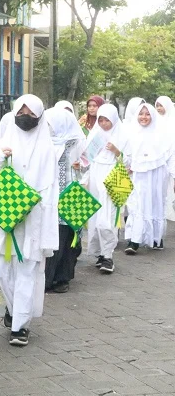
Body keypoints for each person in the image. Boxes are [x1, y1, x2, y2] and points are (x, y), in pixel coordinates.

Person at [0, 95, 58, 348]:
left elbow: (51, 188)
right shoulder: (5, 141)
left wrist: (38, 209)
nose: (25, 115)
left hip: (34, 219)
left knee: (27, 270)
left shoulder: (48, 147)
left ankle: (20, 326)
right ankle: (14, 308)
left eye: (31, 112)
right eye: (21, 110)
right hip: (6, 216)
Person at [77, 104, 128, 273]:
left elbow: (128, 160)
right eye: (101, 120)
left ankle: (108, 256)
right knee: (95, 219)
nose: (104, 123)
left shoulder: (122, 135)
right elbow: (87, 158)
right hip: (95, 179)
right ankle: (99, 253)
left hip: (112, 179)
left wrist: (116, 151)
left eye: (107, 120)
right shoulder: (96, 134)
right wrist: (83, 172)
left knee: (107, 218)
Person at [123, 103, 175, 254]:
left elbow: (170, 155)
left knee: (156, 202)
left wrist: (174, 176)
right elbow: (127, 154)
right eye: (141, 114)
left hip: (158, 175)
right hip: (138, 174)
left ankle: (156, 238)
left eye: (147, 114)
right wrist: (129, 165)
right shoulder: (132, 133)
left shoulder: (162, 134)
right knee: (137, 204)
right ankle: (134, 240)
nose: (143, 117)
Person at [44, 107, 86, 293]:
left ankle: (62, 278)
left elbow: (89, 162)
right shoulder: (44, 141)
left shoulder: (77, 141)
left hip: (71, 195)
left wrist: (82, 165)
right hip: (50, 196)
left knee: (68, 237)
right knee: (52, 238)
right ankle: (47, 278)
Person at [154, 96, 175, 226]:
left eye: (161, 105)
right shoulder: (155, 121)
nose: (159, 108)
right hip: (159, 159)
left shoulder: (172, 121)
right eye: (157, 105)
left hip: (172, 157)